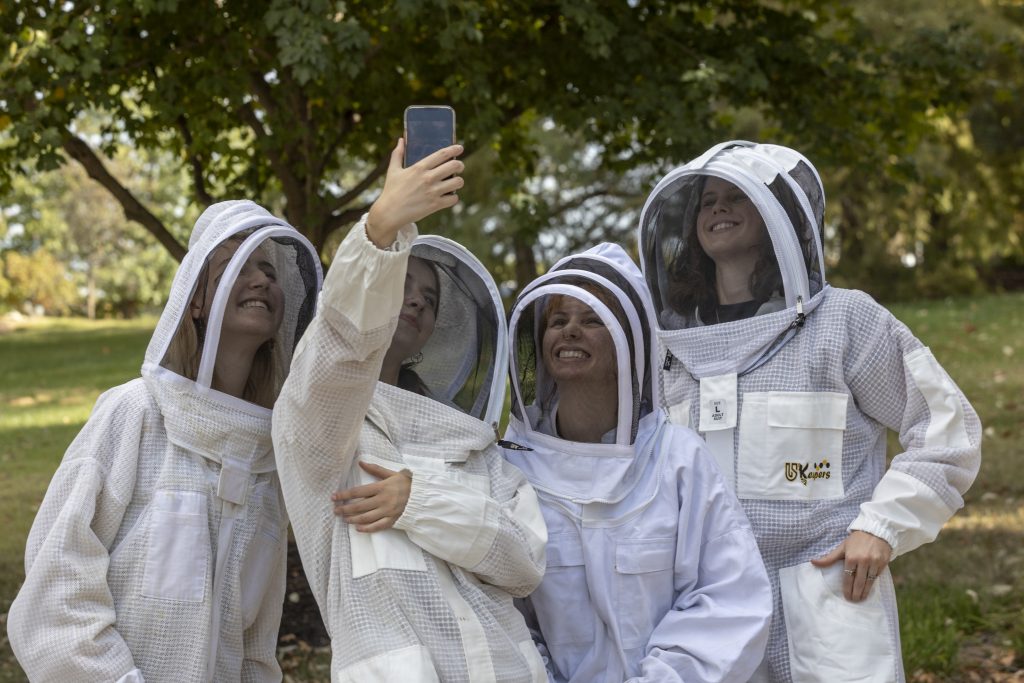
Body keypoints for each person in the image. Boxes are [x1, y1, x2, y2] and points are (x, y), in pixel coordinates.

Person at [637, 141, 982, 682]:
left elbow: (946, 430)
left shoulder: (845, 321)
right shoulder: (670, 347)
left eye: (735, 197)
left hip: (827, 590)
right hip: (706, 603)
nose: (718, 208)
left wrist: (881, 528)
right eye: (707, 201)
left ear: (774, 213)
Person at [7, 200, 322, 681]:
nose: (260, 279)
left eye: (269, 270)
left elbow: (254, 640)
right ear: (195, 301)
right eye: (237, 266)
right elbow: (58, 583)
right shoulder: (134, 412)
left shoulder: (266, 457)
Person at [272, 139, 549, 682]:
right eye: (404, 283)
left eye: (431, 297)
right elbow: (340, 347)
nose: (418, 299)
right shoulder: (321, 428)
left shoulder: (468, 442)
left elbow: (524, 562)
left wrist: (417, 501)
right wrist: (381, 230)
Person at [500, 242, 772, 682]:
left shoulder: (678, 459)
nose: (570, 331)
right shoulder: (510, 468)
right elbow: (503, 612)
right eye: (558, 320)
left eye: (592, 319)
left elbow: (729, 597)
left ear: (629, 344)